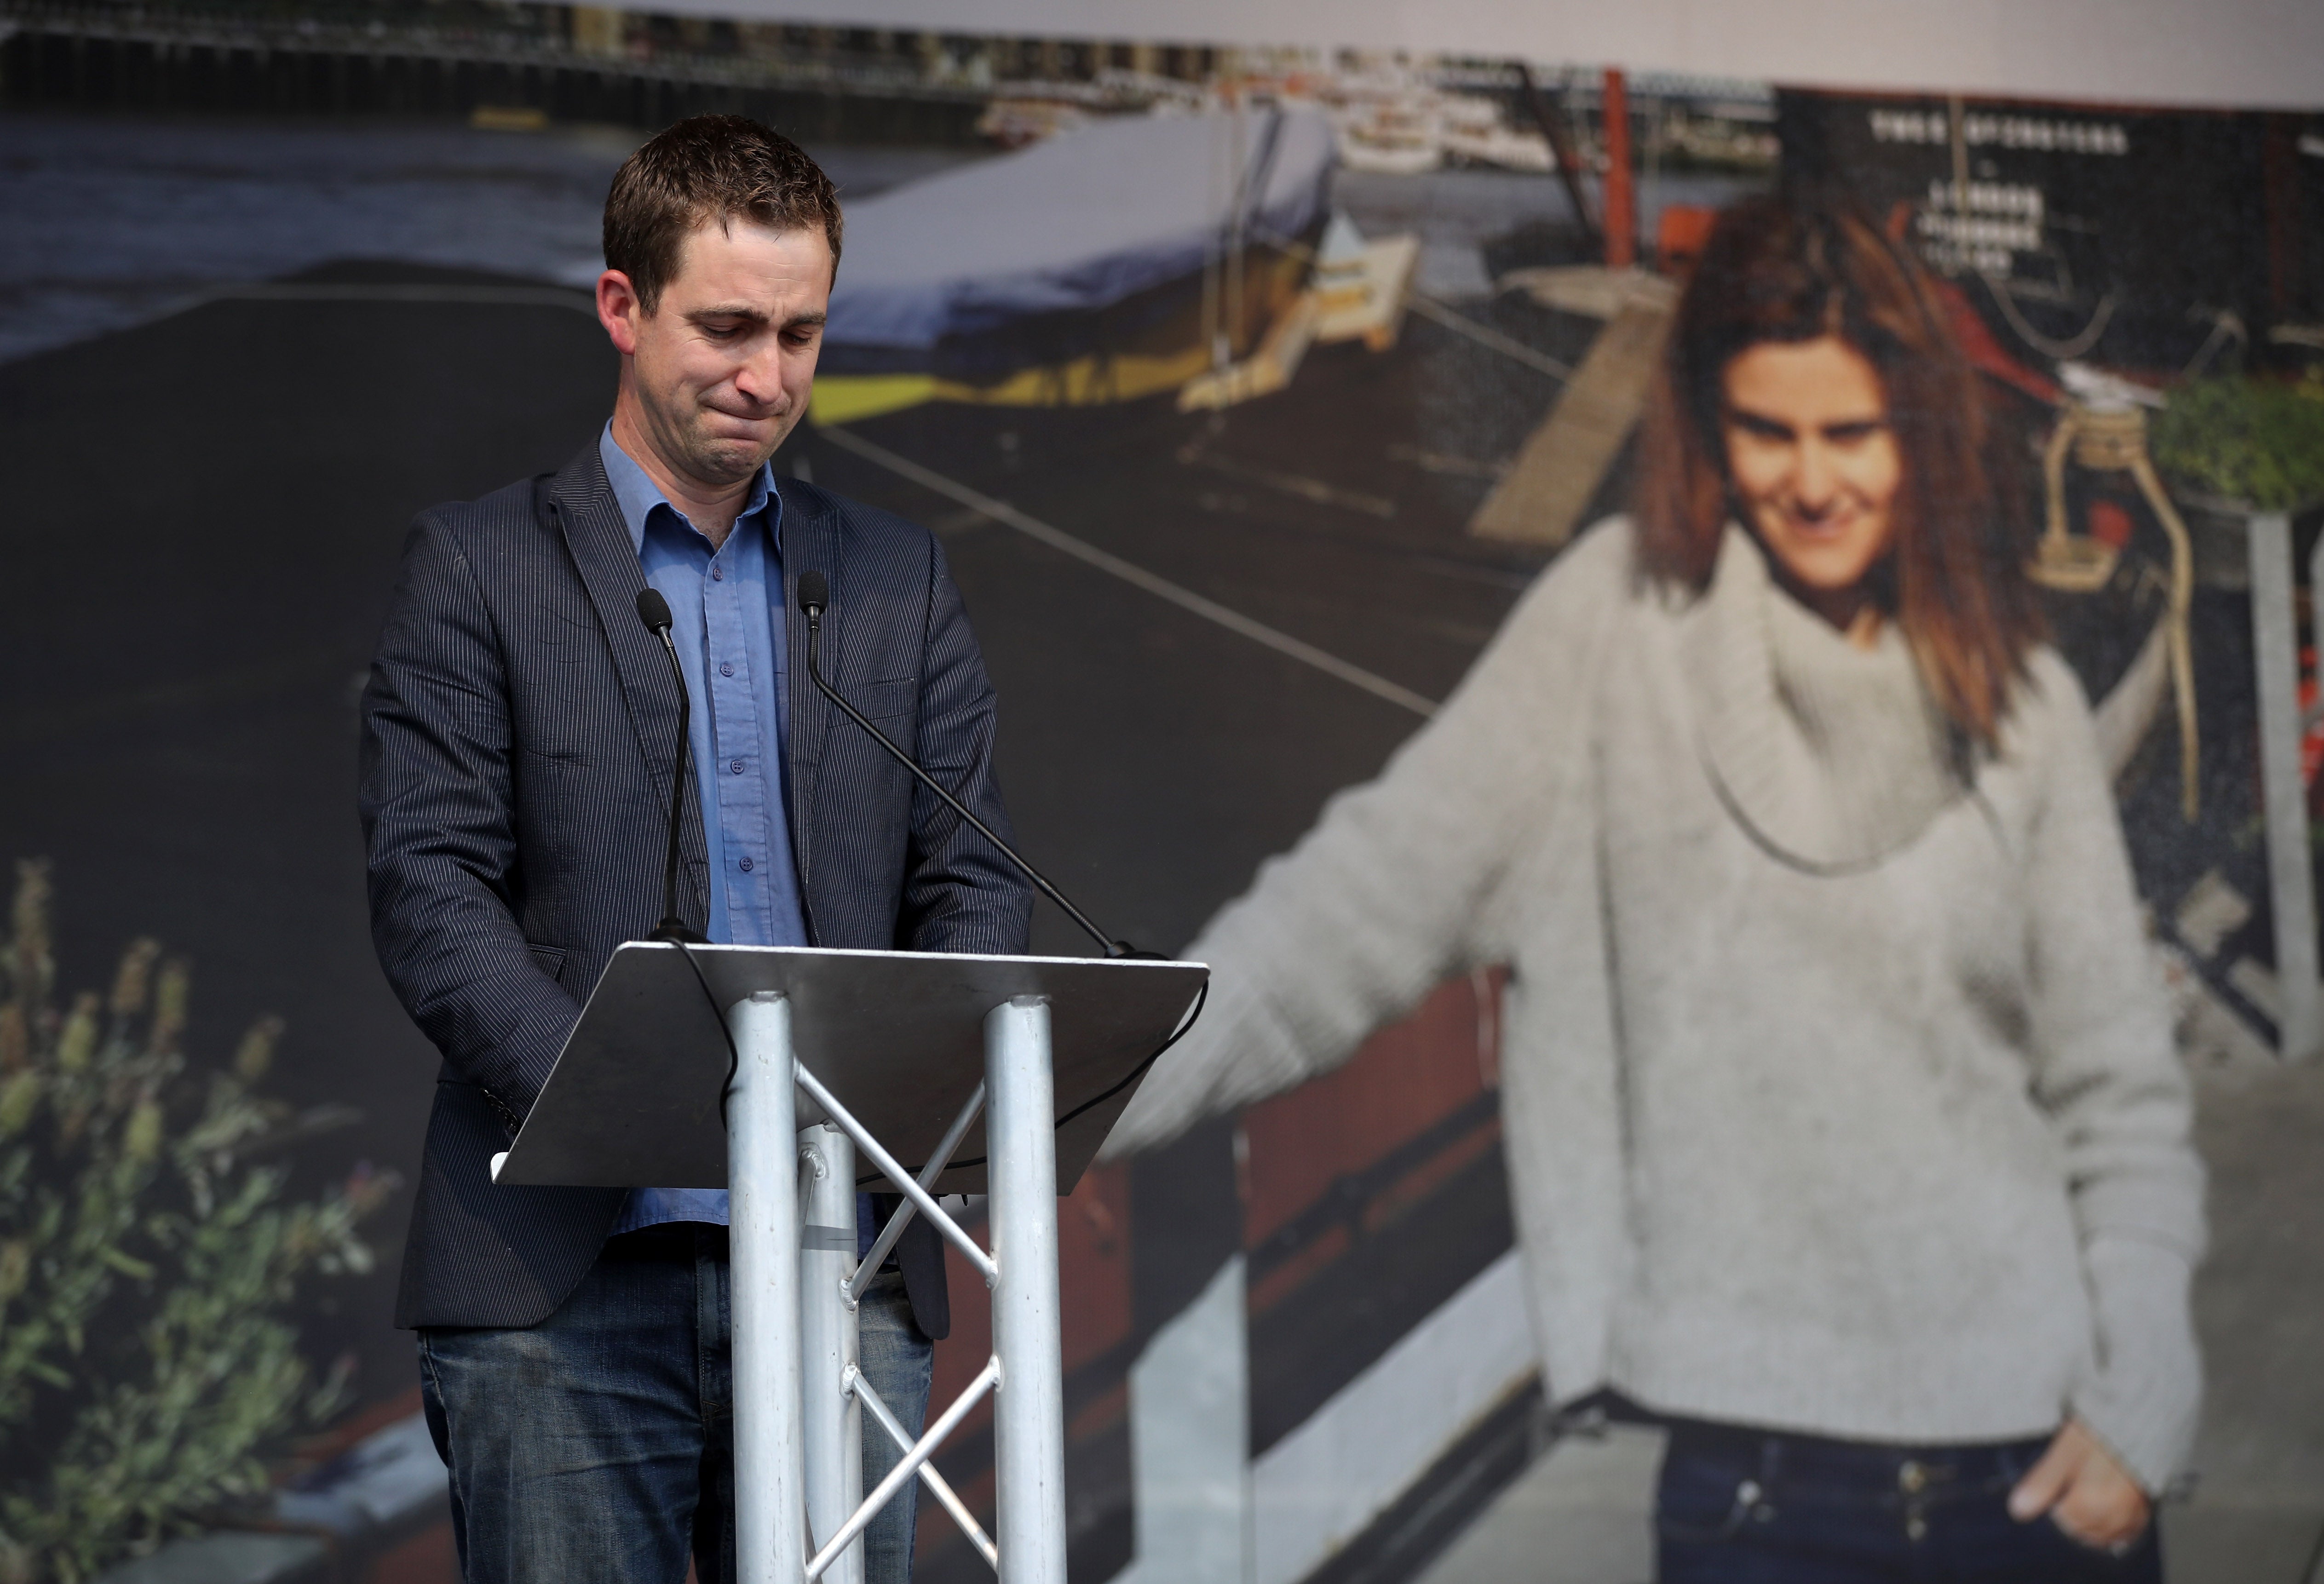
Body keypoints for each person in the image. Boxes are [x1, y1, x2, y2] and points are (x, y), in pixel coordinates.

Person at [1103, 194, 2203, 1581]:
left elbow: (2120, 1098)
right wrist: (1019, 1097)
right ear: (1707, 430)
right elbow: (1335, 927)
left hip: (2045, 1483)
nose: (1811, 481)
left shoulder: (2015, 696)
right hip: (1757, 1507)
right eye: (1766, 431)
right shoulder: (1609, 637)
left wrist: (2139, 1400)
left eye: (1851, 433)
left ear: (1916, 430)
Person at [359, 115, 1030, 1584]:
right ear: (621, 305)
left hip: (841, 1266)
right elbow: (429, 886)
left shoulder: (898, 582)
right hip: (564, 1283)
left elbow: (968, 875)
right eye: (726, 326)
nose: (767, 375)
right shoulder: (477, 565)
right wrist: (631, 1105)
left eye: (801, 332)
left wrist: (916, 1090)